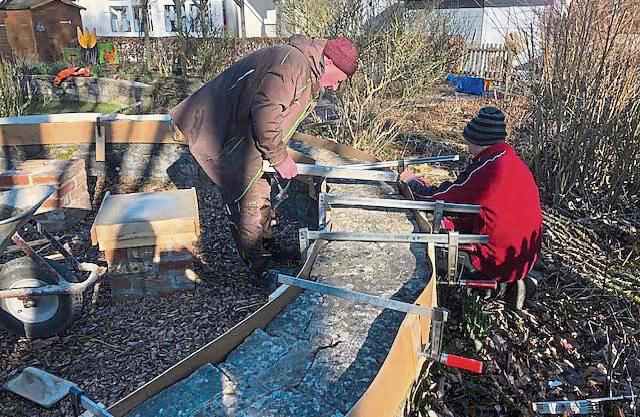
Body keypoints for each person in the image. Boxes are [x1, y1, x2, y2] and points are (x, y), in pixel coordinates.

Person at [170, 35, 358, 281]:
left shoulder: (302, 66)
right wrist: (280, 158)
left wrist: (277, 152)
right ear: (330, 62)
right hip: (223, 128)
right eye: (339, 80)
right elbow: (266, 112)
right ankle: (258, 268)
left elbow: (279, 112)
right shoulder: (294, 64)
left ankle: (265, 247)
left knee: (260, 192)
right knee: (248, 197)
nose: (336, 87)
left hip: (242, 131)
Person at [399, 107, 542, 307]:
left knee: (426, 254)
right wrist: (453, 223)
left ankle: (493, 285)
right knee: (449, 226)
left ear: (478, 140)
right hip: (521, 258)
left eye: (467, 139)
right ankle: (512, 283)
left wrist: (412, 182)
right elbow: (484, 209)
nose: (466, 144)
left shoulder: (490, 169)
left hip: (496, 261)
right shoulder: (512, 162)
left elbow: (440, 200)